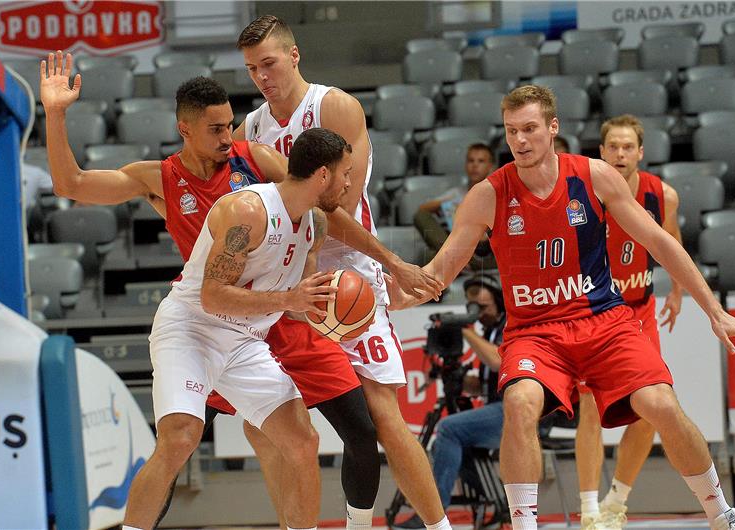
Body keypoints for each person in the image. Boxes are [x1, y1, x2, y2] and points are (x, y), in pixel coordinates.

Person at [40, 51, 441, 530]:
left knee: (315, 437)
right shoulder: (161, 179)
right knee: (180, 440)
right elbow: (71, 183)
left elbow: (326, 212)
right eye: (215, 130)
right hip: (204, 316)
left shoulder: (254, 159)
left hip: (262, 322)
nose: (228, 138)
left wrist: (392, 262)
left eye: (230, 125)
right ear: (185, 128)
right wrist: (57, 113)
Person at [389, 85, 735, 530]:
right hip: (535, 332)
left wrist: (713, 309)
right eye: (512, 131)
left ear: (553, 127)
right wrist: (387, 300)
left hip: (603, 321)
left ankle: (720, 514)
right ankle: (526, 525)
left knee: (662, 405)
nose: (521, 141)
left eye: (530, 129)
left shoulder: (593, 176)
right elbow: (440, 270)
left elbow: (659, 242)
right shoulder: (488, 195)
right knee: (520, 403)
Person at [232, 15, 451, 530]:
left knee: (383, 415)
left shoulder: (333, 107)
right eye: (251, 69)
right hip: (284, 285)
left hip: (345, 275)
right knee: (262, 428)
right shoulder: (251, 129)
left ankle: (440, 528)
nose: (262, 76)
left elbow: (336, 208)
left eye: (269, 63)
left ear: (294, 55)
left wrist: (390, 263)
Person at [123, 127, 351, 529]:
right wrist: (288, 301)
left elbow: (299, 304)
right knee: (180, 437)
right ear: (322, 176)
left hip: (244, 339)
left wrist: (330, 312)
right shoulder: (247, 210)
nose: (349, 183)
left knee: (303, 441)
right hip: (192, 328)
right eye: (345, 173)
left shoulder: (315, 224)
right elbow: (213, 296)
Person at [575, 114, 684, 530]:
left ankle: (616, 502)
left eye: (627, 147)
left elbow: (671, 242)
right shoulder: (583, 193)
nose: (620, 154)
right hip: (595, 310)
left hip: (639, 310)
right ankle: (587, 511)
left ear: (640, 153)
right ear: (601, 152)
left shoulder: (662, 196)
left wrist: (676, 289)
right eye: (612, 147)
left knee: (651, 409)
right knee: (589, 408)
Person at [397, 274, 507, 529]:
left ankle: (435, 513)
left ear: (499, 302)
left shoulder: (507, 327)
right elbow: (485, 384)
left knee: (448, 428)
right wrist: (455, 376)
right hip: (496, 406)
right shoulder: (489, 332)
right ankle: (497, 502)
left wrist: (466, 330)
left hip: (510, 411)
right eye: (471, 307)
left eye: (482, 307)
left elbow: (498, 362)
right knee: (442, 446)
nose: (476, 313)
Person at [414, 143, 497, 272]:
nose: (475, 165)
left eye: (481, 161)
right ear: (465, 165)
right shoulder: (457, 193)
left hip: (486, 250)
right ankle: (452, 257)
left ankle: (452, 259)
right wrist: (449, 203)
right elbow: (422, 210)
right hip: (458, 245)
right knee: (421, 218)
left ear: (490, 166)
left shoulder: (497, 193)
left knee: (434, 258)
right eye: (471, 161)